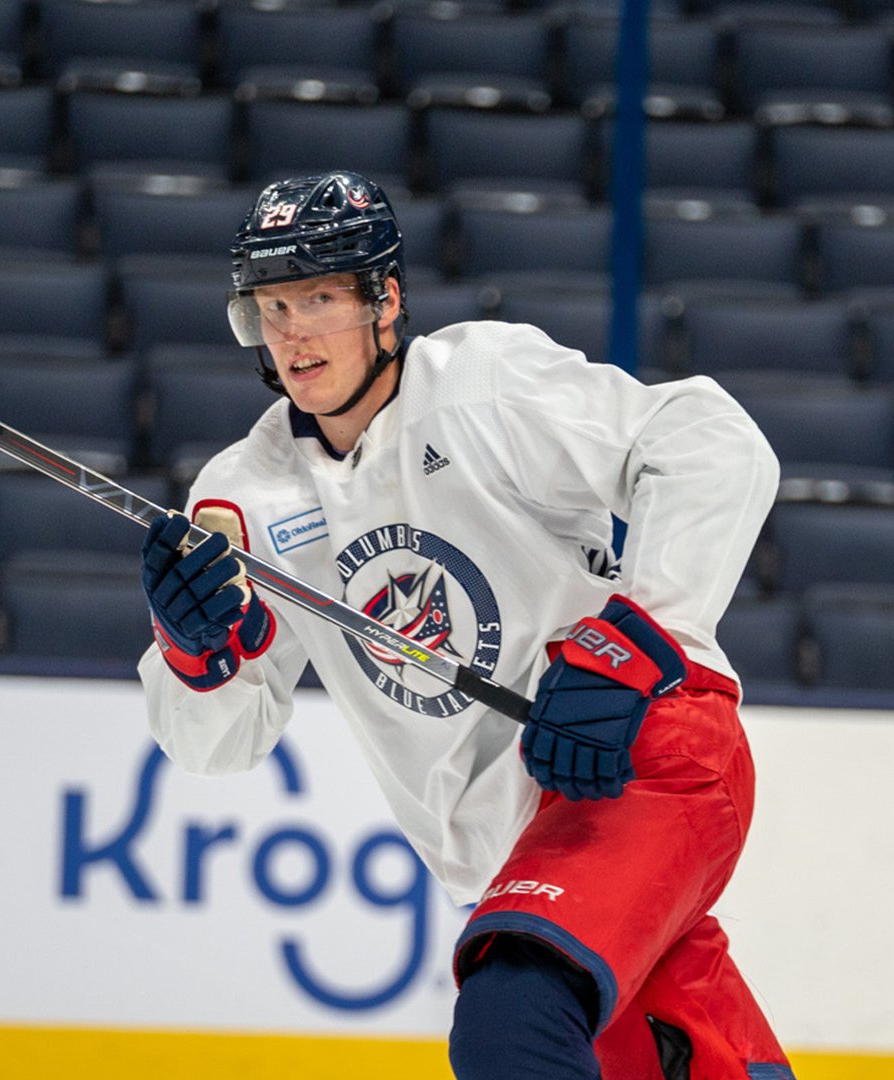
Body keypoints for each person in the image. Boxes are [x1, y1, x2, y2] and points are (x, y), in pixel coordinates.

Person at [136, 171, 791, 1080]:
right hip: (509, 850)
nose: (292, 332)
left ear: (385, 300)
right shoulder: (242, 495)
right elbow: (217, 746)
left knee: (510, 1024)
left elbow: (711, 442)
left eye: (318, 298)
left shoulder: (483, 386)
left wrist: (643, 633)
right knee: (680, 1059)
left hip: (636, 756)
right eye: (271, 306)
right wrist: (192, 651)